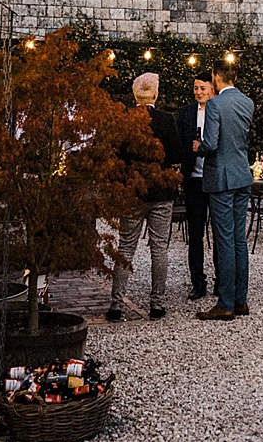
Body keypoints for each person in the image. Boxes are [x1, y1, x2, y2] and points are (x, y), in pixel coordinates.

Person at [107, 73, 183, 322]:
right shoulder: (166, 120)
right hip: (161, 192)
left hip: (133, 192)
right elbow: (175, 155)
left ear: (134, 94)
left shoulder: (124, 120)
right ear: (156, 95)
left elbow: (116, 158)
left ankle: (117, 305)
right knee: (159, 248)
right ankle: (157, 304)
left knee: (126, 247)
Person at [196, 60, 254, 321]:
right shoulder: (247, 102)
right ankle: (240, 300)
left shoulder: (216, 104)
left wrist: (199, 146)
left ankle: (226, 303)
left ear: (216, 77)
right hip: (242, 174)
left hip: (221, 177)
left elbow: (212, 143)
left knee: (225, 240)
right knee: (239, 239)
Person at [179, 72, 216, 301]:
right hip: (193, 179)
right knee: (195, 233)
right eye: (196, 88)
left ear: (212, 90)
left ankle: (221, 280)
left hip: (214, 179)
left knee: (220, 232)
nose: (199, 92)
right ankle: (197, 281)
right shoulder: (185, 113)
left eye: (203, 88)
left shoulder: (219, 111)